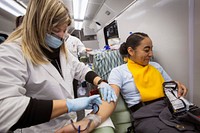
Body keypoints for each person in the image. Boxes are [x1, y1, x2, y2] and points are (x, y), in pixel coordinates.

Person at [0, 0, 117, 132]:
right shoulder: (11, 53)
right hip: (40, 129)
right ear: (37, 26)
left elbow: (80, 68)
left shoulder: (61, 50)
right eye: (55, 31)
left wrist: (100, 82)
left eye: (64, 30)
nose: (61, 36)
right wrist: (68, 104)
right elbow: (5, 110)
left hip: (67, 123)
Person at [107, 32, 199, 133]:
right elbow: (111, 98)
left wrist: (178, 86)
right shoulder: (118, 72)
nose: (151, 54)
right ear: (131, 51)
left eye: (151, 49)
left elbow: (170, 87)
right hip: (145, 115)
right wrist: (95, 119)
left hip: (170, 108)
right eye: (147, 50)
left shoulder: (156, 66)